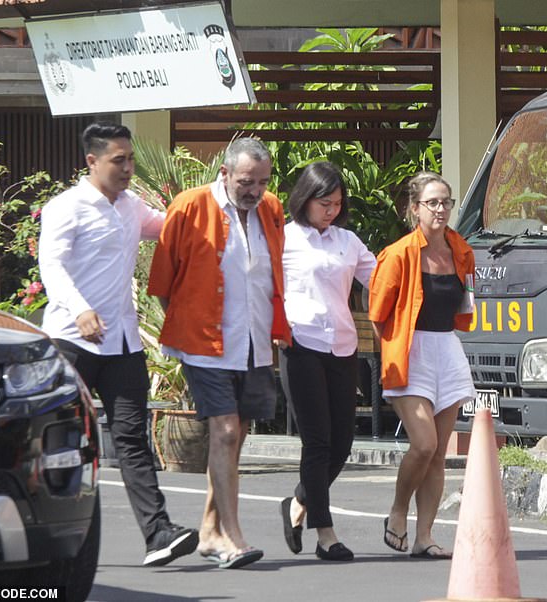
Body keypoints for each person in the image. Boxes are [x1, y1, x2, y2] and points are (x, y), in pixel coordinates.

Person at [39, 122, 198, 568]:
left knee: (131, 440)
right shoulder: (66, 207)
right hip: (72, 341)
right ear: (92, 161)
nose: (129, 168)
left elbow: (169, 227)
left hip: (123, 344)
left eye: (130, 159)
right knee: (64, 441)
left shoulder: (131, 208)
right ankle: (54, 542)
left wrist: (219, 202)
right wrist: (78, 308)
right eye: (119, 160)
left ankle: (158, 533)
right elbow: (51, 265)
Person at [148, 137, 290, 569]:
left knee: (237, 436)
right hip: (205, 343)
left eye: (263, 182)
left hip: (255, 341)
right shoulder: (189, 207)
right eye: (247, 181)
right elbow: (162, 282)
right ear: (225, 173)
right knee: (225, 432)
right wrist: (188, 327)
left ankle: (209, 533)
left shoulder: (272, 210)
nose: (255, 190)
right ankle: (233, 537)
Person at [368, 171, 475, 559]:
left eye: (446, 201)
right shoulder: (398, 254)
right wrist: (396, 353)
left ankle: (424, 536)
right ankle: (398, 511)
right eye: (432, 202)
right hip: (409, 351)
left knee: (439, 450)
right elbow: (378, 316)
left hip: (446, 347)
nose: (441, 209)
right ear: (415, 209)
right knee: (423, 443)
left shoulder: (460, 249)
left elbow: (466, 301)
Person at [278, 162, 376, 562]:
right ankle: (326, 533)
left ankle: (299, 502)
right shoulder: (282, 238)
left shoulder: (348, 242)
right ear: (305, 199)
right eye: (324, 203)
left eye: (337, 204)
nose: (331, 210)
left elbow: (383, 279)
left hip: (342, 345)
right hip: (300, 345)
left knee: (342, 443)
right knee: (317, 442)